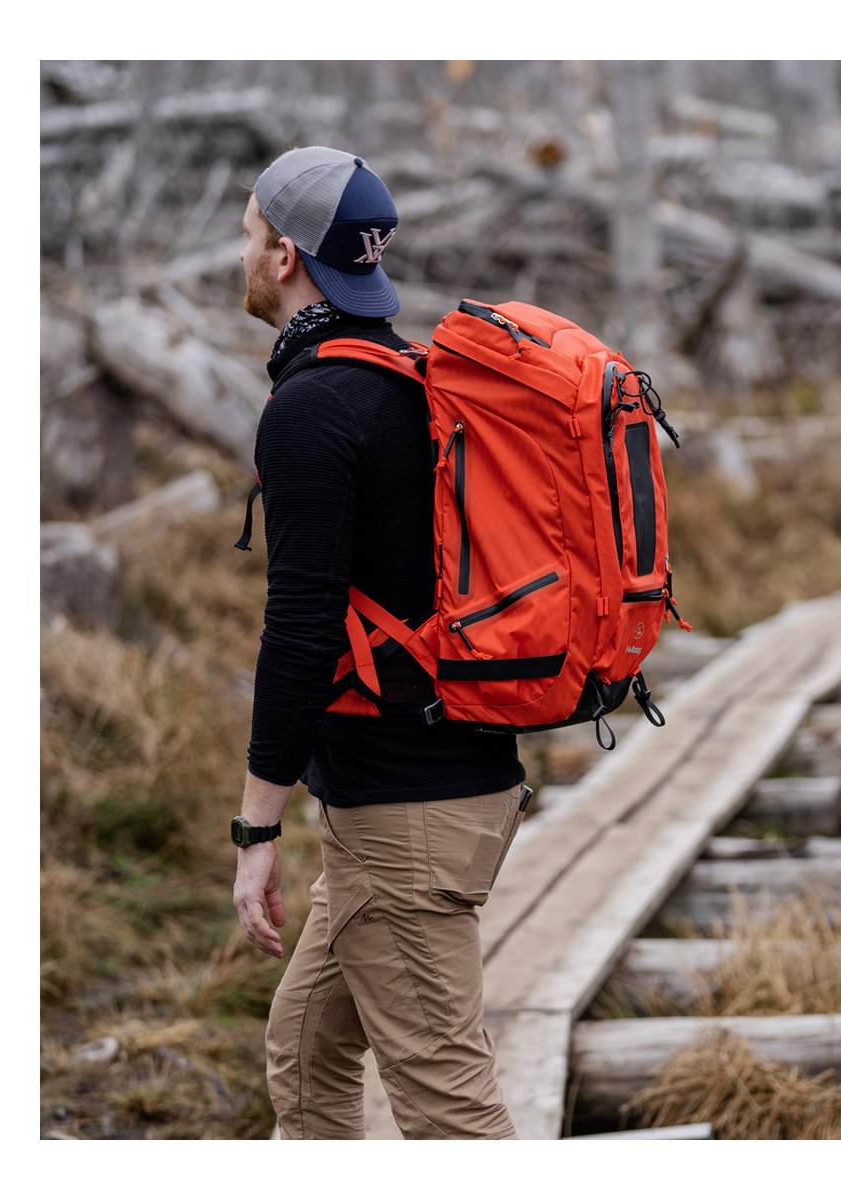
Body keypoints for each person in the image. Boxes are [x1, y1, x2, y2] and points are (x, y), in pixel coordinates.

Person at [230, 145, 525, 1140]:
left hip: (407, 812)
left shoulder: (316, 406)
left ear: (283, 258)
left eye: (248, 232)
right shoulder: (404, 378)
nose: (244, 251)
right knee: (306, 1052)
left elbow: (302, 634)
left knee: (449, 1105)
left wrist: (256, 831)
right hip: (445, 783)